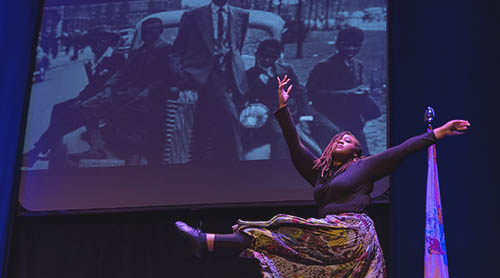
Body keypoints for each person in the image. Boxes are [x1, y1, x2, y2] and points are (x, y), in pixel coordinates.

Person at [175, 76, 469, 278]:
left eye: (349, 140)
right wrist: (283, 107)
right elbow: (293, 145)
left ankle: (207, 241)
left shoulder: (366, 167)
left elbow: (401, 151)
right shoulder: (320, 175)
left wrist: (438, 133)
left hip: (355, 237)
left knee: (289, 237)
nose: (343, 140)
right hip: (333, 238)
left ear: (357, 151)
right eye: (339, 138)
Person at [78, 17, 179, 165]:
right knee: (86, 107)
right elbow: (122, 72)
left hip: (148, 96)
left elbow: (166, 76)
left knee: (127, 124)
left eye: (153, 30)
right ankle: (98, 148)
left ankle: (133, 154)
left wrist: (148, 90)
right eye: (145, 31)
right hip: (125, 91)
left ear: (160, 31)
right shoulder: (138, 51)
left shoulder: (167, 49)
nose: (148, 34)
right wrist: (108, 87)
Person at [23, 25, 125, 167]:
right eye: (91, 42)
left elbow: (109, 85)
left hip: (104, 101)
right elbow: (92, 85)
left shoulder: (116, 57)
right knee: (58, 108)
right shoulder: (98, 57)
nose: (92, 46)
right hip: (92, 98)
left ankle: (37, 151)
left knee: (68, 114)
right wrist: (82, 96)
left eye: (95, 42)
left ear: (105, 42)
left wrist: (82, 100)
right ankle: (43, 148)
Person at [170, 0, 249, 163]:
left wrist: (233, 68)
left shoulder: (241, 15)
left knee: (208, 122)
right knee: (228, 116)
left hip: (230, 74)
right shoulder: (193, 15)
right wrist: (181, 75)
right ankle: (235, 161)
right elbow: (178, 48)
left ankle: (213, 164)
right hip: (200, 73)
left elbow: (237, 46)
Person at [243, 38, 340, 159]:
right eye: (263, 56)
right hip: (272, 114)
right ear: (256, 54)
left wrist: (305, 115)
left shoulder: (286, 70)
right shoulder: (249, 75)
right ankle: (284, 168)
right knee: (281, 135)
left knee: (330, 129)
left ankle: (332, 163)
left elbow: (300, 92)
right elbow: (248, 99)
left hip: (297, 109)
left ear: (278, 57)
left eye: (272, 56)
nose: (267, 60)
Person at [306, 26, 381, 156]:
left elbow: (356, 87)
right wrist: (346, 93)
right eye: (346, 45)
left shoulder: (358, 65)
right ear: (337, 44)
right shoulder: (324, 66)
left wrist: (362, 92)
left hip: (353, 117)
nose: (351, 49)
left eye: (356, 45)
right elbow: (311, 94)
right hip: (330, 117)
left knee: (362, 156)